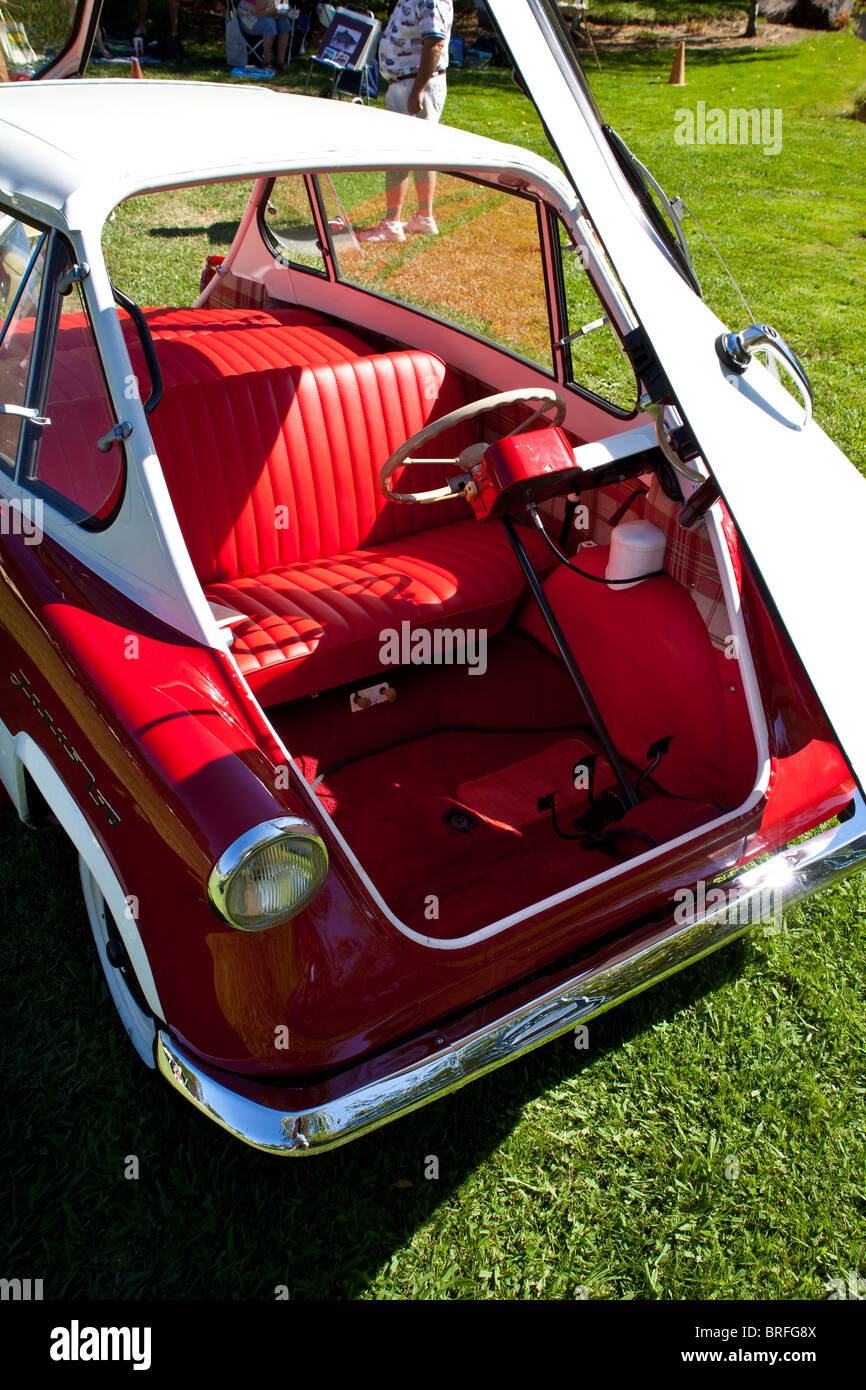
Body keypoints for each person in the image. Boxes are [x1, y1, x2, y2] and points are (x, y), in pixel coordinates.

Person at [359, 0, 453, 243]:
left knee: (399, 153)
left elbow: (435, 42)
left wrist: (417, 90)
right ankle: (424, 218)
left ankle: (391, 224)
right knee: (422, 153)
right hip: (409, 82)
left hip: (413, 84)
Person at [238, 0, 293, 72]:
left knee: (284, 23)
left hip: (267, 14)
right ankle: (266, 62)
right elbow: (261, 13)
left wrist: (288, 12)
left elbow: (280, 6)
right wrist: (280, 10)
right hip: (249, 17)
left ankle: (280, 62)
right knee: (269, 25)